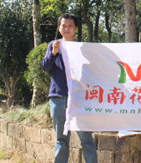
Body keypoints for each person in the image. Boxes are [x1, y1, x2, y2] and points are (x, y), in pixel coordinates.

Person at [41, 13, 98, 163]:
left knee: (86, 139)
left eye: (70, 26)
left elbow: (91, 71)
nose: (66, 29)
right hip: (58, 98)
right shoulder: (54, 45)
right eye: (63, 26)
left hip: (79, 98)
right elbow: (45, 67)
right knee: (61, 140)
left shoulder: (82, 48)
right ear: (59, 28)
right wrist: (53, 53)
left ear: (76, 28)